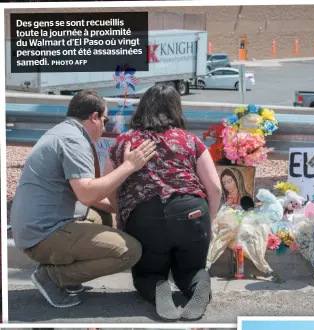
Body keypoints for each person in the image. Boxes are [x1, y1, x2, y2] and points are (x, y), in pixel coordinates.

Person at [10, 91, 157, 308]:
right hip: (42, 235)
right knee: (130, 251)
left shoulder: (62, 132)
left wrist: (119, 207)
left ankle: (67, 275)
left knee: (103, 215)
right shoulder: (74, 140)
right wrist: (129, 166)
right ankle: (53, 277)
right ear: (94, 117)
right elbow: (87, 193)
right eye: (105, 120)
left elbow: (85, 195)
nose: (105, 127)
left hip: (33, 229)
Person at [105, 83, 222, 321]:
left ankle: (158, 287)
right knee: (192, 270)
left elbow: (110, 186)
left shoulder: (124, 141)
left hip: (145, 216)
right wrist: (208, 222)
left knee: (148, 272)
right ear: (175, 109)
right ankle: (198, 286)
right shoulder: (190, 140)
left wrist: (122, 216)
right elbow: (216, 188)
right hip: (192, 212)